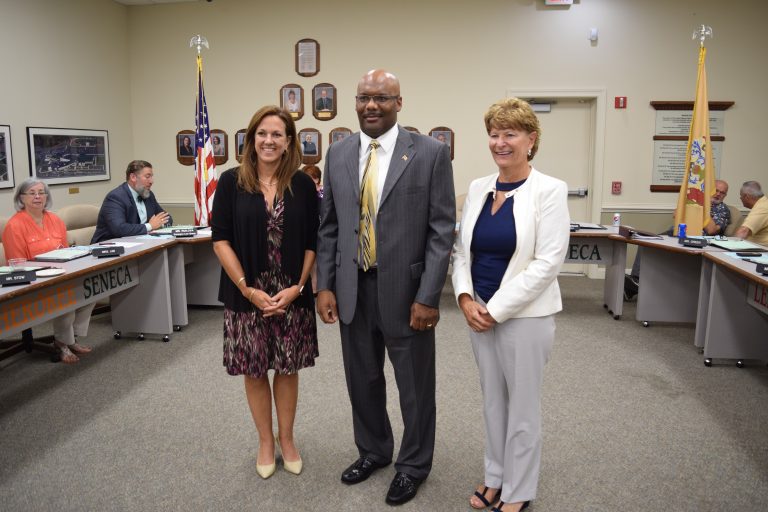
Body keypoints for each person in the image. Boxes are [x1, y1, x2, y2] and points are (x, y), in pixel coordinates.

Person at [316, 69, 455, 506]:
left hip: (407, 293)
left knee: (414, 386)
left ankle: (413, 465)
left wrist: (428, 296)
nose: (370, 106)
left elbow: (440, 231)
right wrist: (325, 285)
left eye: (381, 98)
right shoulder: (337, 155)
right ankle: (374, 450)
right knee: (363, 380)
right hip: (353, 290)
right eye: (363, 98)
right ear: (354, 103)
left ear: (399, 102)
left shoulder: (431, 153)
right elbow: (330, 228)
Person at [452, 98, 570, 512]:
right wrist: (466, 298)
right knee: (492, 401)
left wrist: (495, 309)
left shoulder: (549, 191)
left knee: (522, 406)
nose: (500, 142)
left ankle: (518, 490)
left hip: (525, 318)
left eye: (511, 134)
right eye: (495, 134)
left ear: (530, 140)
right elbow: (462, 252)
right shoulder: (479, 188)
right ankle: (494, 477)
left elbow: (547, 263)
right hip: (478, 311)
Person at [211, 106, 319, 480]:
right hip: (247, 295)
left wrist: (299, 287)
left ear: (289, 142)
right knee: (255, 371)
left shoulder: (302, 184)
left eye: (277, 134)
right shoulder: (230, 182)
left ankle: (287, 439)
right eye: (262, 133)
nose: (269, 140)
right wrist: (247, 289)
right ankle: (265, 442)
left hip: (292, 294)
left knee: (287, 369)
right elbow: (220, 239)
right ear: (250, 139)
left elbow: (311, 242)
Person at [2, 178, 96, 364]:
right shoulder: (15, 225)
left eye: (41, 192)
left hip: (61, 273)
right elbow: (17, 264)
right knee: (67, 299)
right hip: (36, 279)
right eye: (32, 193)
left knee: (90, 291)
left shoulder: (55, 220)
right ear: (21, 198)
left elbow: (67, 250)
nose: (38, 197)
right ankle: (62, 344)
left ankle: (72, 338)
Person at [624, 179, 732, 300]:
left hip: (697, 240)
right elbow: (676, 215)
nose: (718, 194)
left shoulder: (722, 210)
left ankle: (633, 286)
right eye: (716, 190)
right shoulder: (695, 201)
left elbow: (712, 230)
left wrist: (700, 210)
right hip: (677, 233)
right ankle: (636, 279)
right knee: (646, 241)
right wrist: (694, 206)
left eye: (722, 193)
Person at [91, 160, 172, 243]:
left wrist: (159, 224)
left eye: (151, 176)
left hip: (139, 243)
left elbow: (167, 218)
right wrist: (150, 226)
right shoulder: (116, 197)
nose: (152, 181)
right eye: (147, 177)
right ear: (133, 177)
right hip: (108, 247)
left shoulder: (148, 194)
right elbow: (119, 229)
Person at [302, 165, 323, 294]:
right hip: (306, 230)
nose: (312, 180)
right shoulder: (300, 192)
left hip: (321, 229)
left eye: (314, 177)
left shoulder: (323, 192)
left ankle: (317, 288)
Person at [735, 180, 768, 245]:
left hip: (761, 251)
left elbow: (743, 232)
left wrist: (730, 246)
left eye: (741, 196)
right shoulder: (763, 202)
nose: (740, 198)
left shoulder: (762, 207)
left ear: (747, 197)